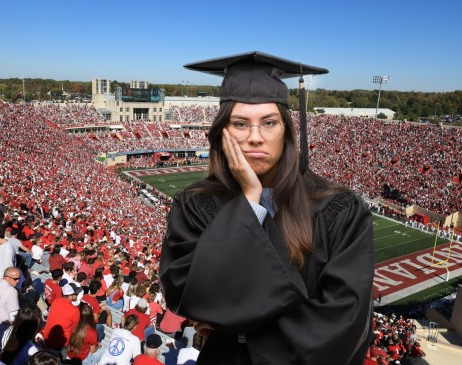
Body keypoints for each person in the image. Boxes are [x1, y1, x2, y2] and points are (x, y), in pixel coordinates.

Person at [159, 52, 374, 364]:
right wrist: (249, 198)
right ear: (223, 132)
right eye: (240, 123)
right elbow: (186, 292)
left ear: (286, 130)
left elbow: (343, 322)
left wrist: (237, 328)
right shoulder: (195, 205)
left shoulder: (340, 209)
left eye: (269, 123)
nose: (255, 138)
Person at [0, 266, 21, 337]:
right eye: (15, 279)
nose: (18, 281)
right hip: (0, 329)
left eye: (19, 278)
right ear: (7, 277)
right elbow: (14, 315)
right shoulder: (12, 291)